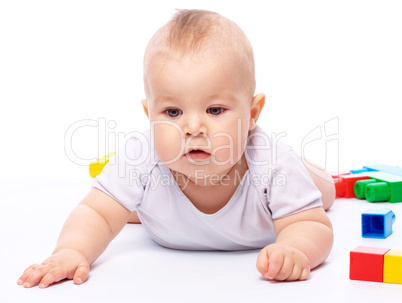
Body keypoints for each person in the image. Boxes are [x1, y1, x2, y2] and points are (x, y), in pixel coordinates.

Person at [17, 9, 335, 289]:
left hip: (281, 190)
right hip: (165, 213)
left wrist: (296, 249)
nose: (193, 128)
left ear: (252, 114)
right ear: (149, 115)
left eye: (214, 110)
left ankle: (317, 175)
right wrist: (72, 250)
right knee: (116, 206)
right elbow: (95, 212)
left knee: (323, 192)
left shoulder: (272, 163)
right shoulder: (142, 154)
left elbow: (313, 226)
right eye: (172, 113)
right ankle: (137, 204)